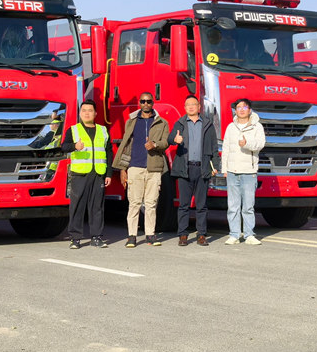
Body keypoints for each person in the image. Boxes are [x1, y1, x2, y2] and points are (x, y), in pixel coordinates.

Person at [112, 92, 170, 247]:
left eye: (149, 101)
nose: (146, 104)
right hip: (134, 167)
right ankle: (132, 236)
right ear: (139, 102)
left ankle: (150, 234)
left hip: (154, 168)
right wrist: (123, 169)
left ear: (153, 103)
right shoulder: (131, 121)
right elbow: (126, 146)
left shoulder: (162, 122)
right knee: (134, 202)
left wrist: (154, 145)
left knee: (151, 203)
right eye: (143, 101)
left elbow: (166, 142)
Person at [61, 100, 112, 248]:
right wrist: (75, 146)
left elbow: (108, 152)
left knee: (97, 207)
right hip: (80, 174)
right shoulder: (74, 130)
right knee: (77, 206)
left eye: (90, 110)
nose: (87, 113)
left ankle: (96, 237)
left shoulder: (103, 130)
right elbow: (64, 147)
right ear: (80, 113)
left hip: (98, 173)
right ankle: (75, 238)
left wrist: (108, 173)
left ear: (96, 113)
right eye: (84, 110)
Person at [168, 95, 218, 246]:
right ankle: (183, 235)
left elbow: (214, 148)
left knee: (201, 205)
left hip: (202, 168)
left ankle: (201, 234)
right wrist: (174, 140)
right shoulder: (180, 123)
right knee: (184, 204)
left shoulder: (208, 125)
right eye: (187, 105)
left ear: (199, 107)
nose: (190, 107)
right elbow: (170, 139)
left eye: (193, 104)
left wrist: (215, 165)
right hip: (185, 168)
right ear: (184, 108)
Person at [221, 98, 266, 246]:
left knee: (248, 206)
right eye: (238, 107)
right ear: (235, 110)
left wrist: (247, 144)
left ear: (250, 110)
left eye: (244, 107)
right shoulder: (230, 127)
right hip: (232, 172)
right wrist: (224, 169)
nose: (241, 109)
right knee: (233, 205)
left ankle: (249, 235)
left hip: (249, 171)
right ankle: (234, 234)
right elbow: (226, 148)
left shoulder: (257, 127)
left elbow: (260, 145)